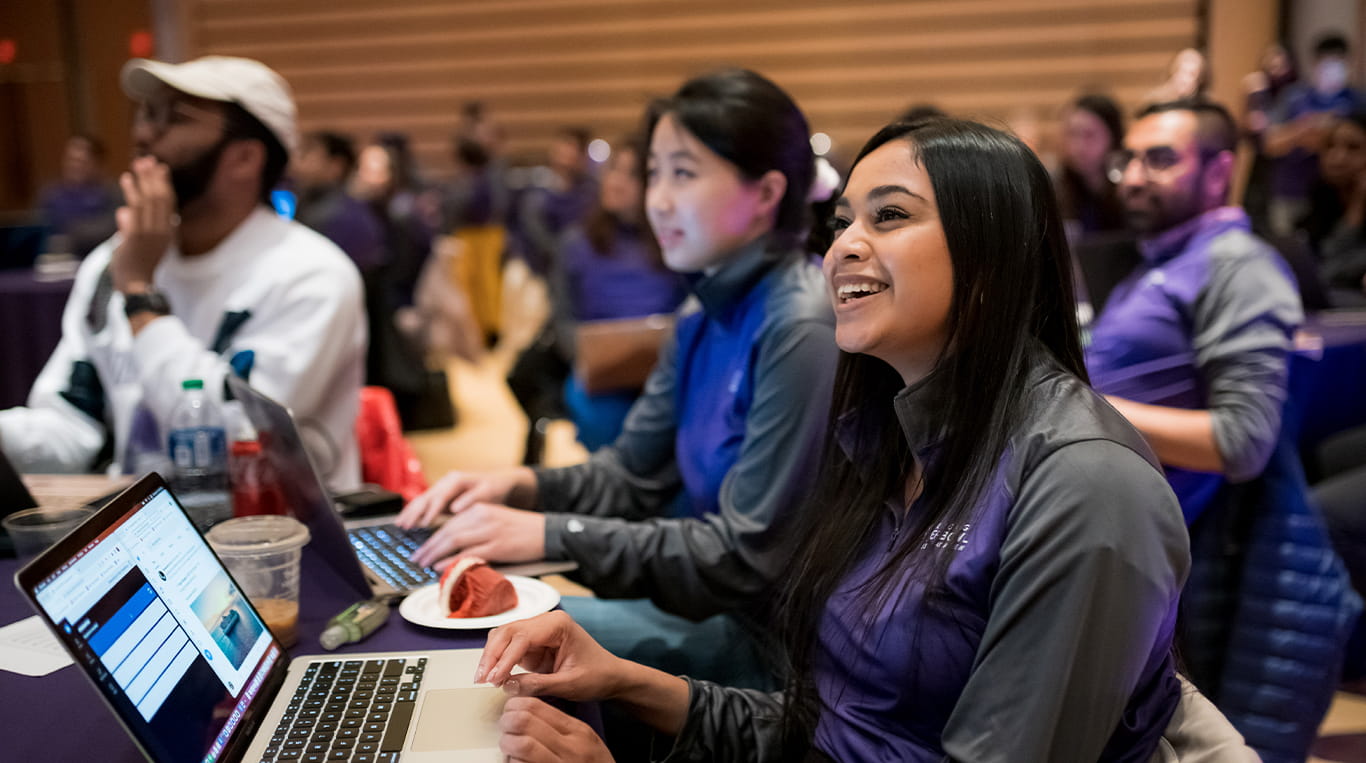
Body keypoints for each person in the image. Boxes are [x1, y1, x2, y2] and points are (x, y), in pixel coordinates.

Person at [473, 117, 1199, 762]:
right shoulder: (882, 433)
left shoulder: (1088, 486)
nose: (844, 246)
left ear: (989, 259)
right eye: (845, 220)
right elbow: (823, 732)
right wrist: (626, 678)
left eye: (889, 216)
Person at [396, 69, 836, 687]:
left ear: (765, 193)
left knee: (492, 650)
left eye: (683, 173)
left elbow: (747, 558)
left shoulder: (801, 321)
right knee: (460, 631)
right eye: (654, 172)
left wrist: (548, 532)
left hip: (776, 652)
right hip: (715, 612)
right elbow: (631, 473)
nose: (657, 198)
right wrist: (516, 486)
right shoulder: (701, 310)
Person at [0, 56, 366, 488]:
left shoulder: (311, 274)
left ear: (245, 158)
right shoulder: (111, 261)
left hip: (276, 543)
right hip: (142, 538)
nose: (142, 135)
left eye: (173, 119)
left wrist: (140, 295)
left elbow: (231, 445)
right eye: (146, 115)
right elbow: (74, 428)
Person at [1088, 99, 1302, 524]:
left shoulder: (1238, 265)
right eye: (1127, 160)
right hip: (1091, 492)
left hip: (1135, 524)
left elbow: (1241, 443)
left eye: (1160, 160)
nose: (1131, 179)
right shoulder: (1162, 258)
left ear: (1219, 171)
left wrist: (1073, 405)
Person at [550, 136, 687, 451]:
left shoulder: (675, 241)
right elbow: (562, 318)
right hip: (599, 375)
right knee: (609, 425)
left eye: (631, 174)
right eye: (613, 171)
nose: (616, 182)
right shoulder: (576, 242)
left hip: (668, 368)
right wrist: (593, 357)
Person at [1264, 33, 1366, 236]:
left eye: (1339, 61)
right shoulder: (1295, 97)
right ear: (1315, 63)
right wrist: (1303, 130)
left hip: (1341, 196)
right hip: (1292, 192)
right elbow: (1270, 143)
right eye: (1326, 61)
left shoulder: (1357, 100)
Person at [292, 130, 387, 275]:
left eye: (311, 157)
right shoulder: (307, 202)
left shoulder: (347, 217)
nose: (301, 165)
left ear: (336, 166)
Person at [1302, 111, 1366, 305]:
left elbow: (1329, 272)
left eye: (1353, 148)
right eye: (1330, 146)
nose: (1337, 157)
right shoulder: (1322, 198)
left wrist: (1358, 206)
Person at [37, 134, 120, 257]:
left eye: (81, 161)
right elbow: (36, 231)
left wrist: (72, 234)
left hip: (98, 257)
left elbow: (113, 227)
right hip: (56, 261)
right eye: (71, 160)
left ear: (97, 163)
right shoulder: (51, 194)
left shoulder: (111, 192)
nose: (74, 166)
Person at [1055, 92, 1126, 236]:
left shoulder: (1129, 191)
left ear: (1114, 137)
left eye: (1090, 135)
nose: (1078, 146)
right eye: (1072, 134)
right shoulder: (1056, 189)